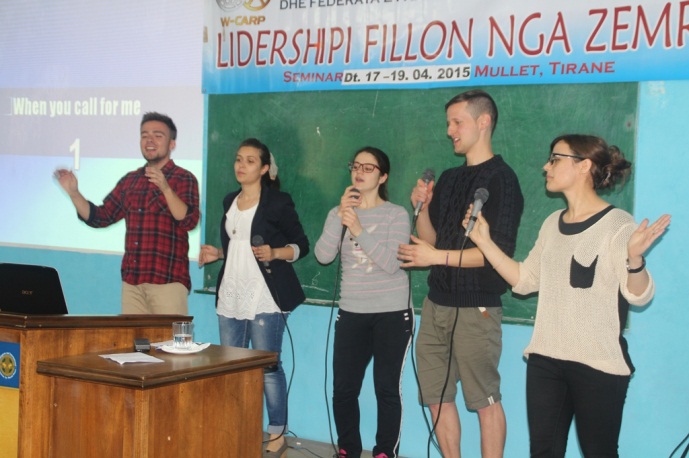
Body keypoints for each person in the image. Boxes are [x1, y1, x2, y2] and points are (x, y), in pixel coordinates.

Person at [462, 134, 671, 457]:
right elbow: (524, 280)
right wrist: (485, 242)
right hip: (546, 359)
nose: (546, 167)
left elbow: (639, 295)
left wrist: (635, 259)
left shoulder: (618, 225)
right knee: (543, 452)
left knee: (599, 452)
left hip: (599, 364)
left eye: (555, 159)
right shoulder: (551, 224)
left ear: (584, 166)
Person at [397, 89, 524, 458]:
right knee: (436, 396)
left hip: (476, 310)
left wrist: (435, 255)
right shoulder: (450, 178)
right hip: (436, 305)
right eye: (448, 123)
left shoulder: (503, 179)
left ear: (483, 122)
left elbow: (495, 256)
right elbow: (431, 241)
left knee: (484, 400)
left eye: (457, 122)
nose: (449, 130)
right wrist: (421, 207)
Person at [198, 138, 309, 456]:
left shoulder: (278, 202)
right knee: (232, 366)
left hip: (265, 295)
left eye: (249, 160)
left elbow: (302, 245)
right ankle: (238, 428)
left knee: (268, 366)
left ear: (263, 168)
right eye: (238, 159)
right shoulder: (229, 200)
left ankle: (277, 432)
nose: (241, 165)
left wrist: (275, 252)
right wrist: (218, 253)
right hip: (231, 293)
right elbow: (239, 246)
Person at [314, 147, 413, 458]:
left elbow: (392, 263)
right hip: (352, 311)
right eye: (356, 166)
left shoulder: (396, 214)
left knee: (386, 388)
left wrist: (358, 229)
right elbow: (323, 256)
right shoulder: (339, 213)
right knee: (344, 388)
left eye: (368, 168)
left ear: (383, 177)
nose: (359, 172)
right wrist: (340, 217)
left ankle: (385, 452)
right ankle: (348, 449)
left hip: (391, 313)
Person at [54, 112, 200, 314]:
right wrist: (74, 193)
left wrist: (165, 188)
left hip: (167, 282)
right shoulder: (130, 180)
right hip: (132, 284)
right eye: (144, 135)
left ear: (172, 144)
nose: (149, 140)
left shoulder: (184, 178)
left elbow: (189, 221)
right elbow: (101, 216)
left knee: (169, 337)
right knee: (132, 337)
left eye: (158, 135)